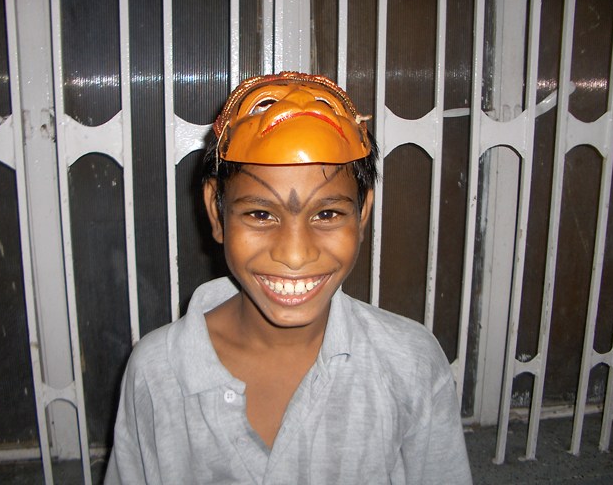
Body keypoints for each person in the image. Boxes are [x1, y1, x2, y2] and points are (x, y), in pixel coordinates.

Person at [105, 71, 472, 484]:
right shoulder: (156, 372)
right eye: (261, 214)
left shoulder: (412, 364)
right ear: (216, 212)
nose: (295, 255)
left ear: (362, 214)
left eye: (327, 214)